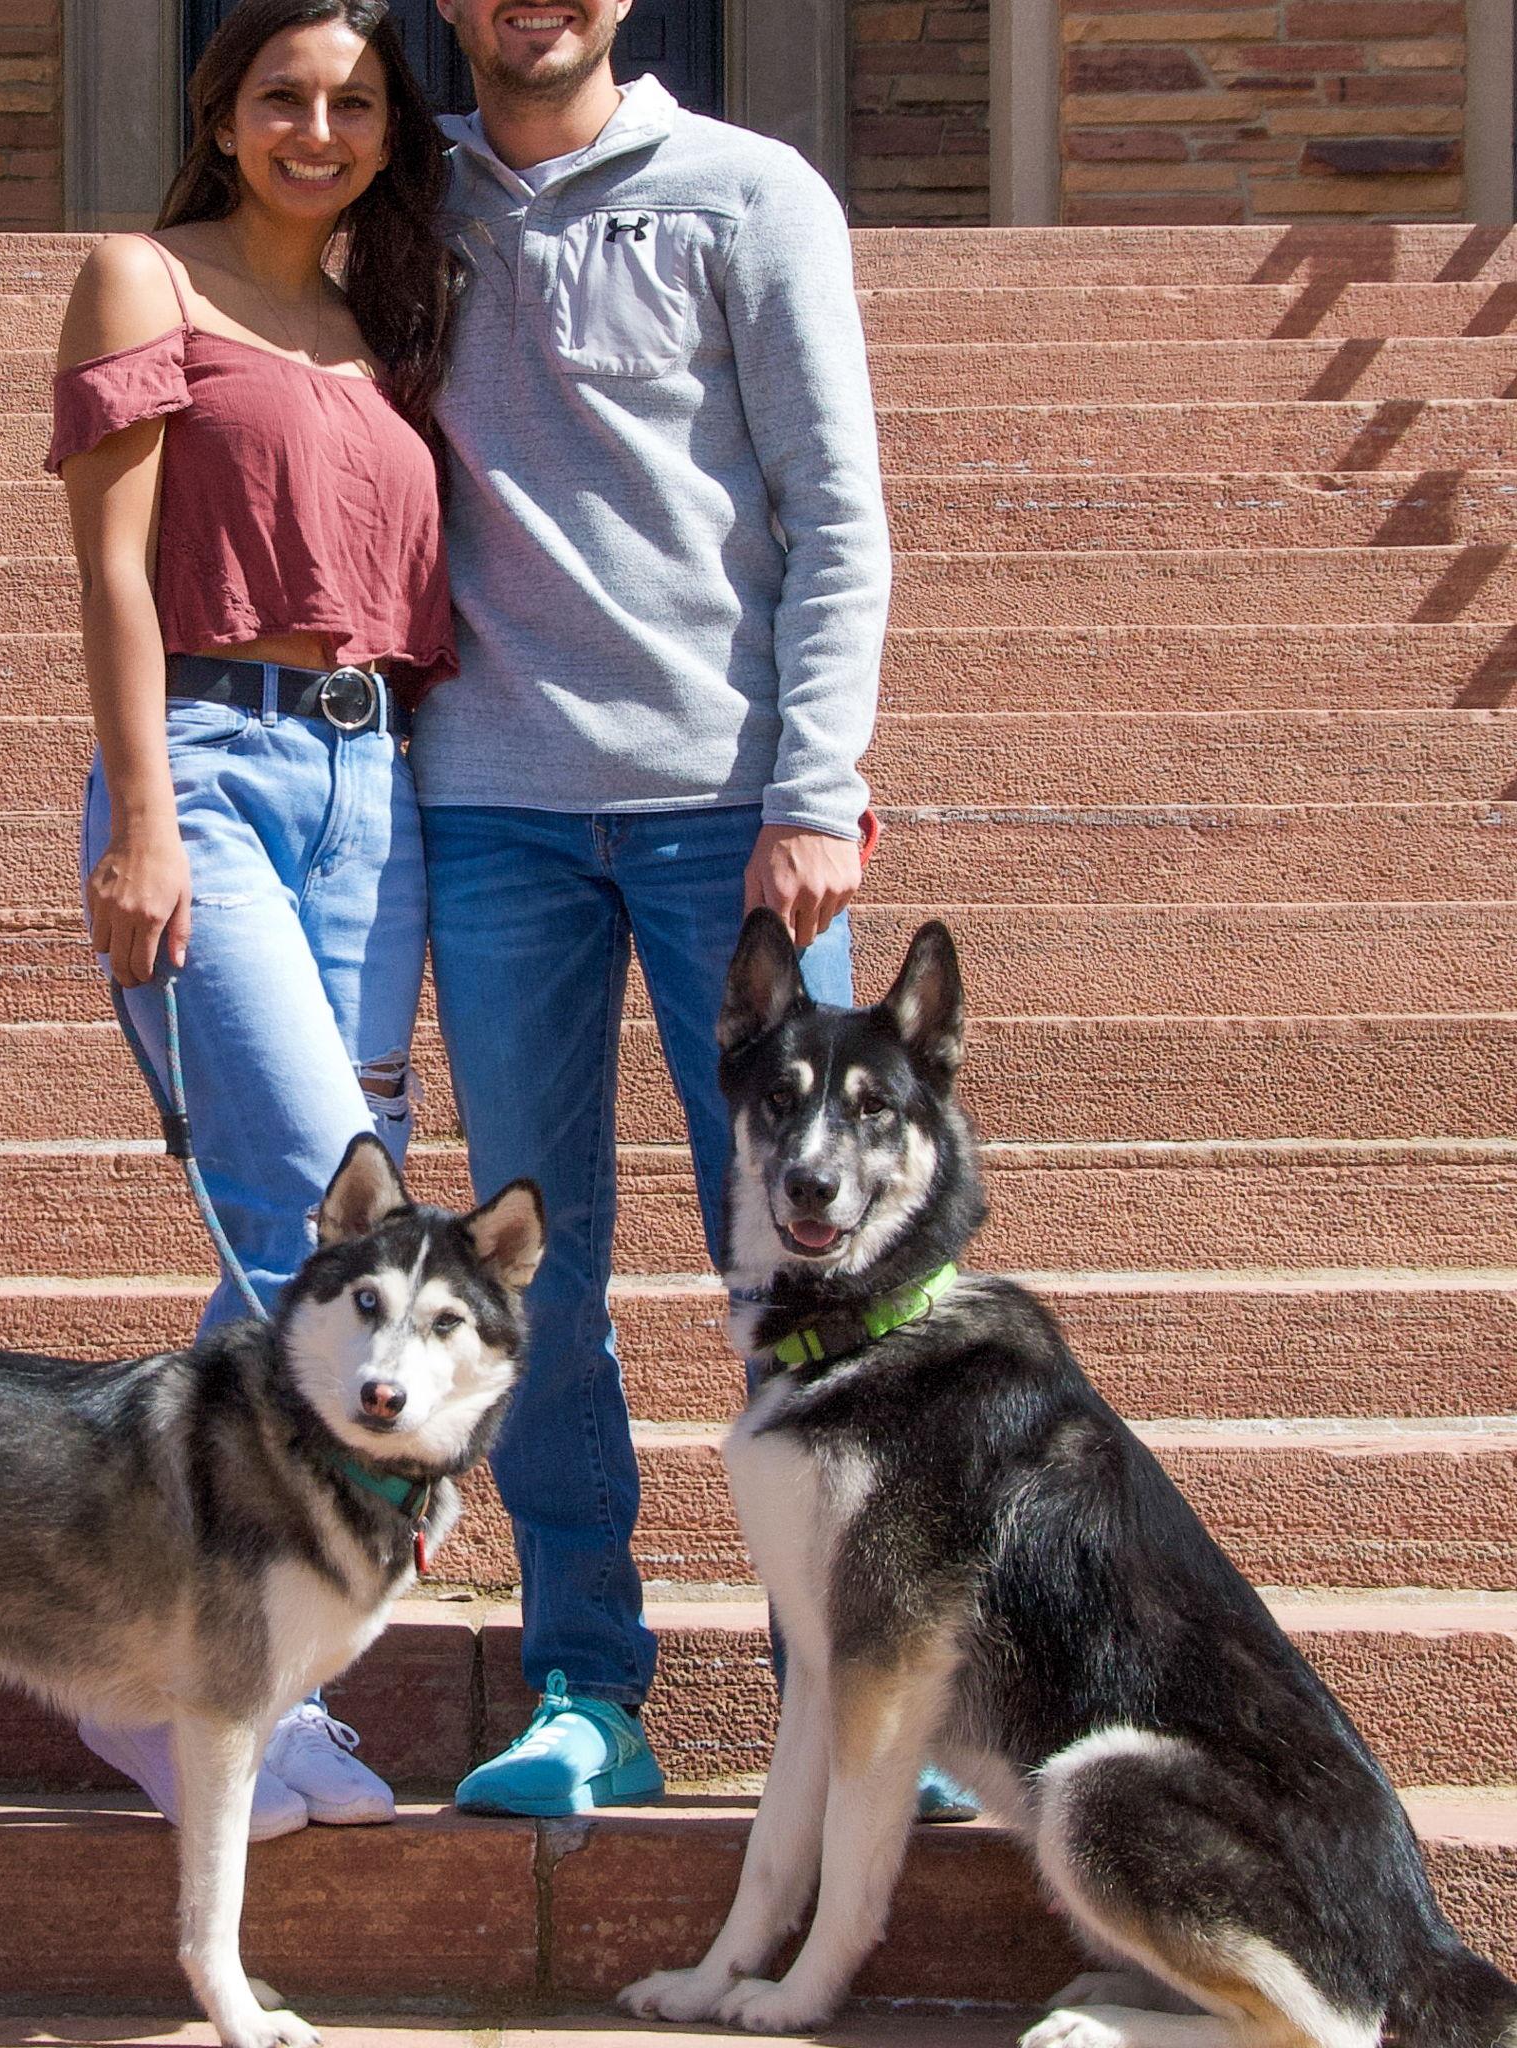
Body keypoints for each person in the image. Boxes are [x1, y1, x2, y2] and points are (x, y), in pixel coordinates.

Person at [416, 0, 975, 1825]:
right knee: (535, 1265)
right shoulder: (399, 205)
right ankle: (586, 1682)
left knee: (822, 1259)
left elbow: (836, 505)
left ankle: (885, 1687)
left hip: (727, 820)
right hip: (489, 809)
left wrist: (819, 782)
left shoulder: (754, 194)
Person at [46, 0, 460, 1839]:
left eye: (356, 100)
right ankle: (154, 1687)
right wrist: (145, 818)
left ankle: (221, 1668)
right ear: (222, 114)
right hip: (211, 769)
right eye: (284, 95)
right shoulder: (146, 276)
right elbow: (116, 569)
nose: (320, 126)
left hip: (375, 793)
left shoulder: (387, 323)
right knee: (315, 1200)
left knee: (308, 1245)